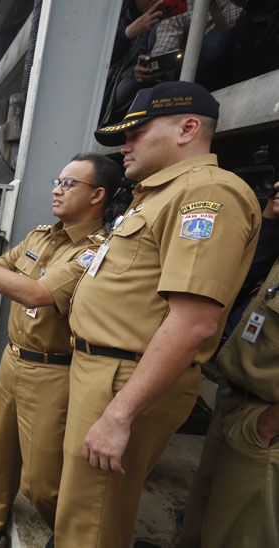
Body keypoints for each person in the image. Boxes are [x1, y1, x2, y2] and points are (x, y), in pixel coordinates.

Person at [52, 81, 261, 547]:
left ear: (188, 128)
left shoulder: (207, 194)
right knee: (83, 510)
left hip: (122, 379)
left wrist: (118, 415)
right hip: (103, 371)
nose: (124, 146)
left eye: (136, 133)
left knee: (92, 523)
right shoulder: (157, 194)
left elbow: (194, 322)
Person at [0, 154, 121, 548]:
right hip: (14, 357)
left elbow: (37, 293)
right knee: (0, 451)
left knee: (41, 480)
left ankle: (69, 532)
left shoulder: (95, 251)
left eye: (69, 184)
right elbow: (0, 269)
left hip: (53, 370)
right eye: (57, 180)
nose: (56, 189)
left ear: (98, 195)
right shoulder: (41, 236)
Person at [177, 179, 278, 548]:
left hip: (265, 417)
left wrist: (268, 425)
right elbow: (244, 280)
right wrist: (269, 222)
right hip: (235, 395)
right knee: (205, 506)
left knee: (239, 528)